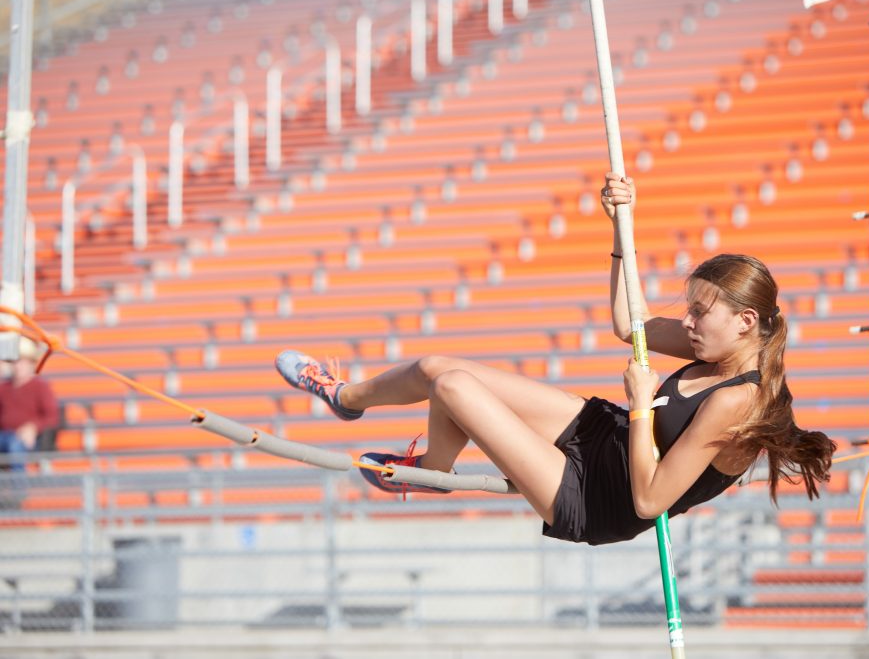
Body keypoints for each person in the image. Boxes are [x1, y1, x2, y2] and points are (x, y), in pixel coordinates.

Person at [275, 173, 836, 545]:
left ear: (744, 322)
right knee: (436, 367)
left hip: (597, 496)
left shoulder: (737, 402)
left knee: (454, 391)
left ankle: (430, 475)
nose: (686, 323)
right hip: (603, 433)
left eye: (699, 314)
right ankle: (346, 399)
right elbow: (629, 324)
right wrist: (622, 228)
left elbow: (648, 498)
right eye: (688, 310)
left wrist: (642, 405)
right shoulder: (710, 345)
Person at [0, 338, 60, 474]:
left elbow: (52, 416)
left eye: (22, 361)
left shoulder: (40, 387)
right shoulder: (3, 388)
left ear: (31, 364)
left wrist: (33, 428)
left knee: (15, 444)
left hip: (29, 440)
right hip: (4, 436)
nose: (18, 366)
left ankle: (18, 489)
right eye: (15, 362)